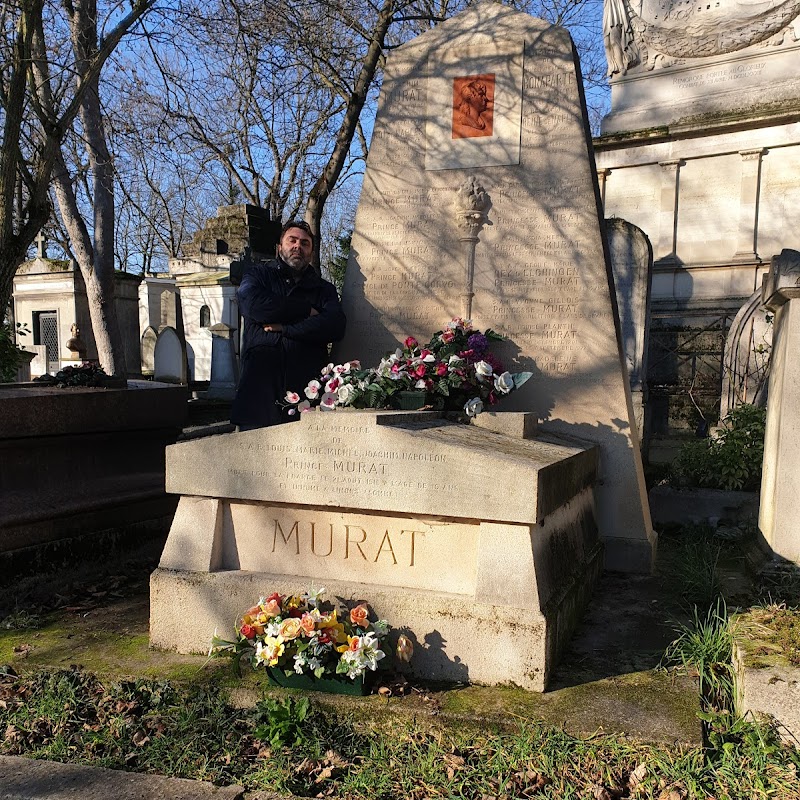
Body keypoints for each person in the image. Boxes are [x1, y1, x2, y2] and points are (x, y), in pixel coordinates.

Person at [230, 220, 346, 430]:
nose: (297, 247)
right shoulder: (258, 275)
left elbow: (335, 325)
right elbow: (253, 305)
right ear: (279, 247)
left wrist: (286, 328)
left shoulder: (323, 289)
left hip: (306, 390)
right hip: (260, 390)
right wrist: (305, 311)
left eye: (305, 243)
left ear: (310, 251)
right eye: (292, 241)